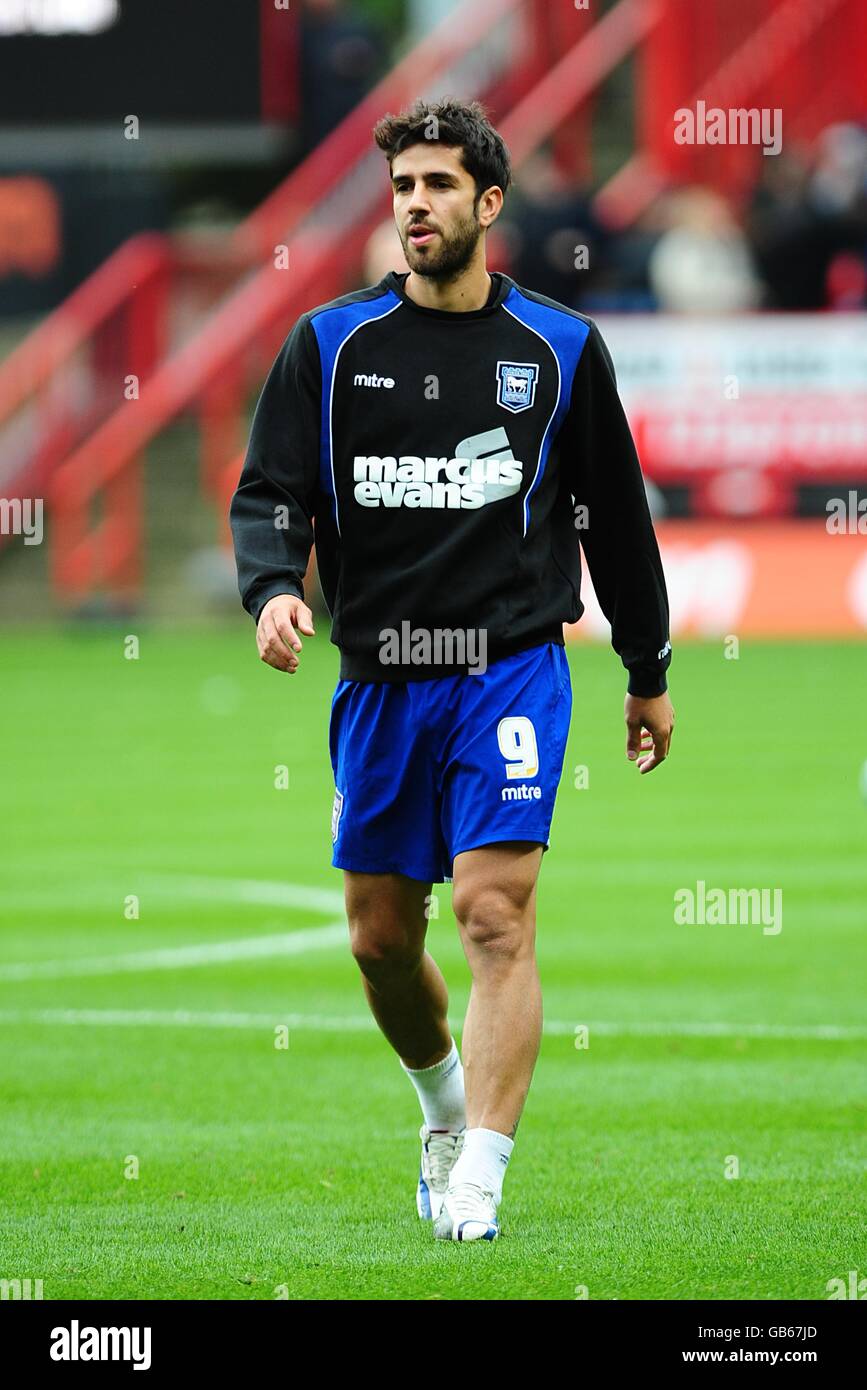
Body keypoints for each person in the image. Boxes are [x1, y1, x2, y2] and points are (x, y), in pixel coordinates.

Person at [230, 99, 674, 1243]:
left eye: (437, 186)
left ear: (488, 204)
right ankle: (441, 1104)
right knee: (383, 940)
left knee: (494, 913)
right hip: (380, 675)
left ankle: (479, 1168)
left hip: (509, 667)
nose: (414, 206)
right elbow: (270, 492)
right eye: (401, 189)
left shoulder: (560, 351)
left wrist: (647, 663)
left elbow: (615, 517)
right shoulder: (330, 348)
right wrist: (275, 586)